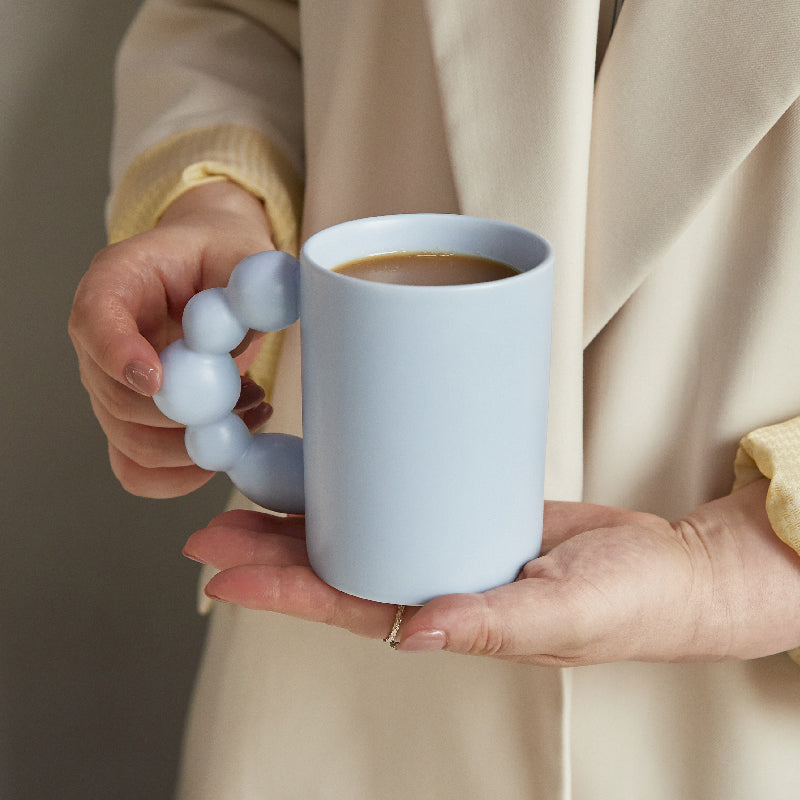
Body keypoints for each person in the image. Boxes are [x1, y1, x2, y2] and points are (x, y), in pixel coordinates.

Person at [69, 1, 800, 797]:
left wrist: (734, 567)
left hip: (739, 714)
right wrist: (214, 200)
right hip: (333, 693)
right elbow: (235, 17)